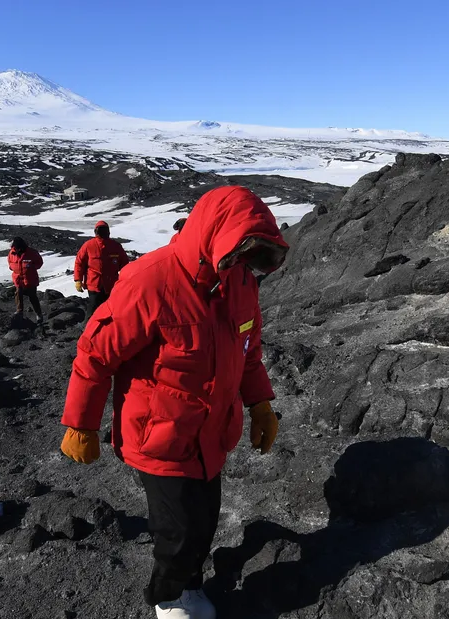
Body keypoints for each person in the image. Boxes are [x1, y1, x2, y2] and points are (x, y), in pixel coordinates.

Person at [59, 186, 288, 619]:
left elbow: (247, 352)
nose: (244, 265)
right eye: (240, 252)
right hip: (159, 437)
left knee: (203, 524)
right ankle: (166, 599)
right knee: (178, 532)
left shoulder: (239, 281)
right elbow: (95, 352)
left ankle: (190, 584)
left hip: (212, 436)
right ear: (215, 235)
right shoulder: (152, 279)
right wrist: (82, 424)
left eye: (252, 256)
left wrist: (260, 405)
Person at [74, 220, 129, 320]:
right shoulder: (88, 245)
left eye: (104, 230)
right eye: (99, 230)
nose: (102, 232)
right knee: (92, 312)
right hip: (94, 285)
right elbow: (79, 263)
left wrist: (127, 280)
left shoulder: (115, 246)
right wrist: (78, 280)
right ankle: (88, 333)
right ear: (96, 232)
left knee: (112, 311)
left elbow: (125, 264)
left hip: (112, 285)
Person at [7, 236, 44, 322]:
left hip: (30, 278)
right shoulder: (12, 253)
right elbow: (9, 261)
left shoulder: (31, 252)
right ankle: (19, 311)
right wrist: (12, 267)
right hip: (18, 278)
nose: (17, 250)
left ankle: (39, 314)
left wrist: (31, 267)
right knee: (18, 294)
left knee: (32, 296)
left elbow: (39, 262)